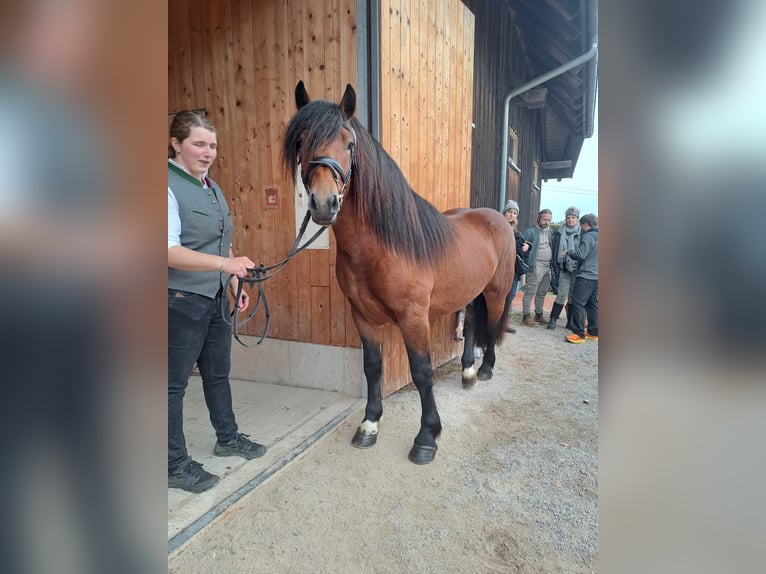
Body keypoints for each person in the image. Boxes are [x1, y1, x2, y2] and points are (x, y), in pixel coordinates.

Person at [168, 110, 268, 493]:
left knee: (217, 374)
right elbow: (167, 250)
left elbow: (220, 241)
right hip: (178, 300)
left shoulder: (212, 187)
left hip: (212, 299)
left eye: (212, 145)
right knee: (171, 386)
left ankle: (227, 439)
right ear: (176, 144)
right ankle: (173, 464)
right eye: (199, 144)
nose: (208, 152)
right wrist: (226, 263)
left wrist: (231, 282)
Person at [563, 213, 598, 344]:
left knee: (578, 302)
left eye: (581, 225)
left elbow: (581, 255)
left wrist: (569, 252)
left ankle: (578, 333)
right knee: (592, 304)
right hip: (597, 276)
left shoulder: (588, 236)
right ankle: (594, 332)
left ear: (585, 225)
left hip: (586, 275)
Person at [547, 207, 581, 330]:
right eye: (568, 217)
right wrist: (555, 266)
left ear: (577, 219)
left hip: (577, 269)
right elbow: (555, 250)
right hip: (563, 268)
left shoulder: (582, 233)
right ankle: (553, 319)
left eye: (573, 217)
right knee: (561, 294)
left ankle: (570, 321)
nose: (570, 220)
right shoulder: (559, 232)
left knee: (572, 296)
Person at [502, 200, 531, 333]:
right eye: (509, 212)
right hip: (500, 268)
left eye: (514, 213)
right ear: (504, 213)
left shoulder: (517, 233)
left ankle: (503, 322)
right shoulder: (499, 228)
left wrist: (528, 246)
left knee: (511, 295)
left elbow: (523, 245)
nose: (512, 215)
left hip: (513, 269)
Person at [521, 209, 553, 326]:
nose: (546, 222)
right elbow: (523, 248)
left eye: (549, 220)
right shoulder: (530, 232)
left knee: (542, 292)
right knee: (530, 291)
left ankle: (539, 315)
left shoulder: (549, 232)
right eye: (544, 219)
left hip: (547, 266)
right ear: (539, 219)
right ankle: (526, 316)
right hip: (535, 266)